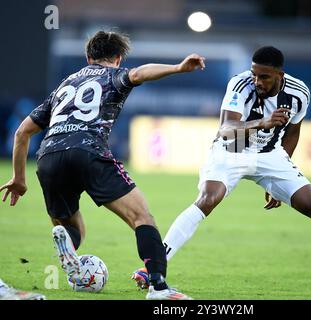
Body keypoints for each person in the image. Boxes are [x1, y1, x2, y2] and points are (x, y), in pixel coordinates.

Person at [133, 46, 311, 293]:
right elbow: (226, 130)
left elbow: (294, 132)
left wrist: (277, 180)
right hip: (233, 148)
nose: (257, 82)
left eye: (264, 77)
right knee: (208, 198)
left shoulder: (299, 93)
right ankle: (153, 268)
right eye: (254, 75)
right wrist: (262, 122)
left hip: (270, 154)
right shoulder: (240, 86)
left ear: (279, 74)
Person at [0, 31, 205, 300]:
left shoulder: (65, 85)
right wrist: (178, 68)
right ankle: (158, 288)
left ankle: (69, 247)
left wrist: (19, 178)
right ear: (118, 58)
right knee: (142, 218)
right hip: (89, 151)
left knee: (73, 228)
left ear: (88, 57)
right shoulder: (114, 75)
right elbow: (140, 73)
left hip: (49, 156)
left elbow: (22, 133)